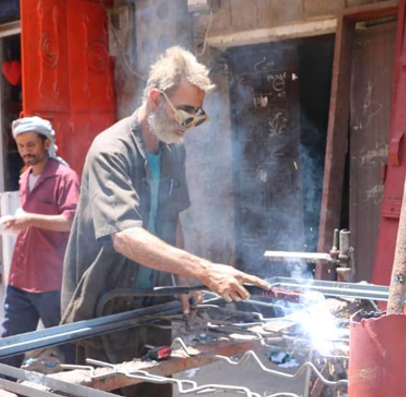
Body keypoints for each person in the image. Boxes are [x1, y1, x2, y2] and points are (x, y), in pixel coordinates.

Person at [60, 47, 270, 393]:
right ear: (156, 99)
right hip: (105, 307)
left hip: (152, 304)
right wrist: (204, 270)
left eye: (197, 116)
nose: (189, 124)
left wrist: (183, 281)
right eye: (186, 112)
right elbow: (124, 235)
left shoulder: (173, 148)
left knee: (155, 389)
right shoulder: (110, 150)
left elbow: (172, 219)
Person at [0, 116, 80, 382]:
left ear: (46, 143)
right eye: (21, 145)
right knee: (11, 343)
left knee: (67, 345)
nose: (26, 151)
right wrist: (1, 226)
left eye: (31, 144)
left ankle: (82, 389)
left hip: (52, 280)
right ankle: (3, 387)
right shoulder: (25, 177)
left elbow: (71, 221)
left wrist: (29, 219)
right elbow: (26, 223)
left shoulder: (65, 177)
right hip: (21, 276)